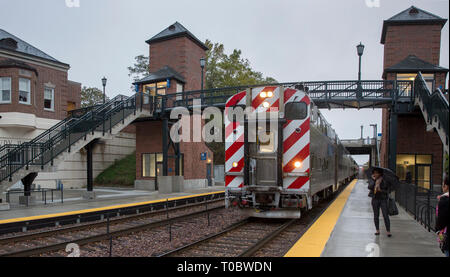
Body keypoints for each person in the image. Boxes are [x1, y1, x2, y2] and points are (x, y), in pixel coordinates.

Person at [368, 168, 392, 237]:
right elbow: (369, 187)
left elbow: (387, 191)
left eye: (377, 173)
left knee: (385, 215)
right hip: (375, 199)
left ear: (380, 173)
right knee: (376, 215)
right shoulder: (372, 179)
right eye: (374, 173)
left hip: (383, 199)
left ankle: (388, 231)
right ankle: (377, 230)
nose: (375, 174)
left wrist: (380, 190)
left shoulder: (385, 181)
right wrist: (374, 180)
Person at [435, 174, 449, 257]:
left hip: (446, 234)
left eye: (443, 185)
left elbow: (441, 220)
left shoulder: (445, 200)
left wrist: (438, 231)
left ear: (446, 186)